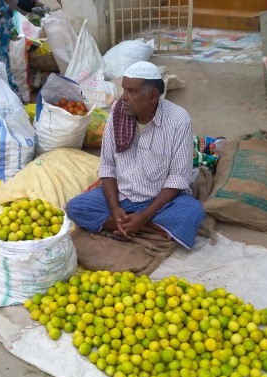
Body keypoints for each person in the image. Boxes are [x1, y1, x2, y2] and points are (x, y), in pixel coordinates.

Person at [66, 61, 204, 249]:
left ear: (153, 95)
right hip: (122, 197)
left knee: (192, 211)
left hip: (159, 202)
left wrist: (145, 215)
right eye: (124, 89)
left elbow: (179, 178)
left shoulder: (178, 120)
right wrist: (115, 209)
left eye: (132, 91)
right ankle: (141, 228)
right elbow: (107, 166)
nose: (124, 97)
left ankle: (131, 226)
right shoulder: (117, 112)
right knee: (76, 208)